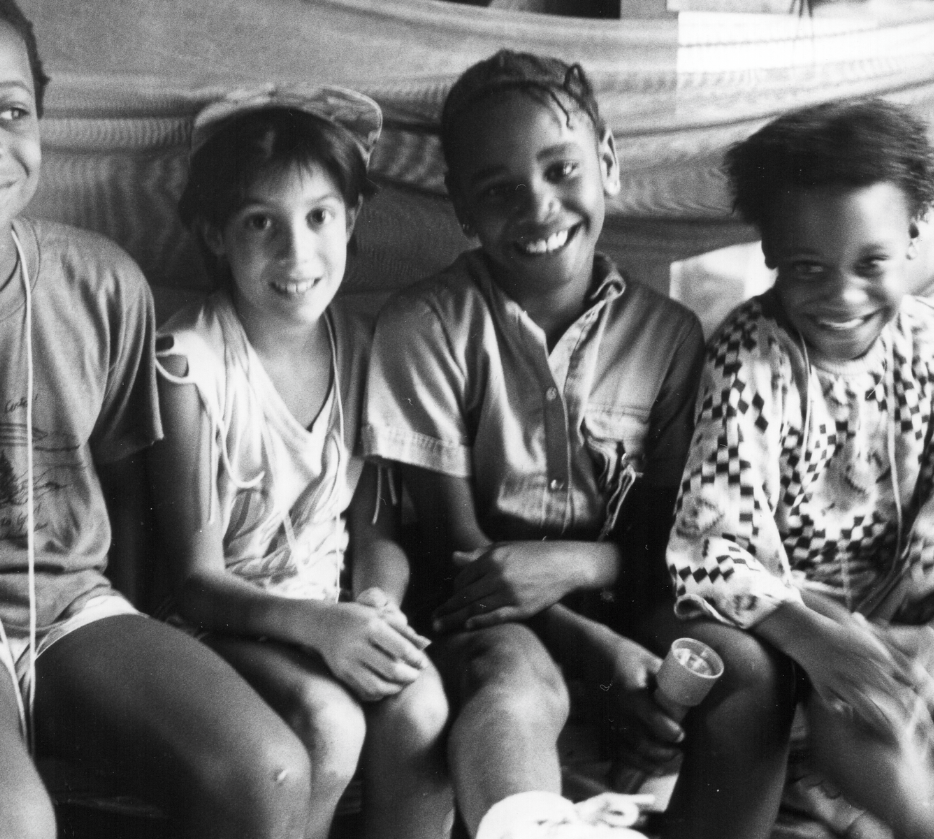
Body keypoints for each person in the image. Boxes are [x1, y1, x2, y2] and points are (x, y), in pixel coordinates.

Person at [0, 0, 314, 839]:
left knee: (269, 770)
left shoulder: (99, 282)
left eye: (10, 111)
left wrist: (136, 631)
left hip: (73, 606)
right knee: (4, 822)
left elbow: (126, 491)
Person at [363, 50, 705, 839]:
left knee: (707, 672)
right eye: (499, 191)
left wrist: (584, 566)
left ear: (609, 162)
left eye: (562, 170)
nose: (539, 206)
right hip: (474, 614)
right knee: (523, 686)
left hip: (626, 603)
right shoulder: (425, 325)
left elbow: (668, 536)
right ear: (461, 208)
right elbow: (456, 551)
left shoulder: (670, 336)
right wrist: (595, 650)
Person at [147, 88, 452, 839]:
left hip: (329, 616)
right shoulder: (188, 365)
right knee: (328, 722)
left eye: (318, 217)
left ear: (350, 220)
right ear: (216, 235)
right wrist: (321, 627)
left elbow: (376, 528)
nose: (296, 254)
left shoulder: (369, 346)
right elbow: (192, 581)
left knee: (422, 707)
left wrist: (377, 606)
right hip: (218, 626)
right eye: (261, 223)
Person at [665, 99, 934, 839]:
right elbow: (706, 551)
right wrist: (817, 639)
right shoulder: (750, 358)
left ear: (914, 234)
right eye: (808, 268)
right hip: (796, 618)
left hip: (909, 616)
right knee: (862, 698)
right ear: (771, 253)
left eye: (871, 264)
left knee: (900, 679)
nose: (842, 297)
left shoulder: (927, 343)